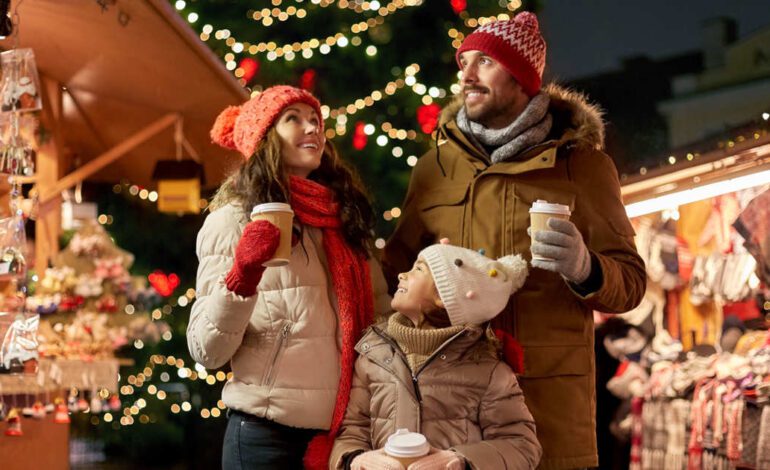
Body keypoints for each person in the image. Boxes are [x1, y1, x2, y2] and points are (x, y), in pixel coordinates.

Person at [383, 12, 646, 469]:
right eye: (463, 62)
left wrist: (585, 268)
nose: (466, 75)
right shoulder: (433, 169)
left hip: (548, 411)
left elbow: (631, 283)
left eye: (484, 62)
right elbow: (392, 277)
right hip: (453, 420)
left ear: (521, 76)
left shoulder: (582, 166)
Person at [187, 85, 391, 470]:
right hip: (266, 436)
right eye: (293, 119)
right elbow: (206, 351)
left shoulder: (345, 218)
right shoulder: (231, 220)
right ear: (264, 138)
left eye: (315, 120)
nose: (311, 127)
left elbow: (380, 325)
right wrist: (242, 277)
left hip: (346, 436)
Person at [331, 242, 542, 469]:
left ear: (444, 295)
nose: (402, 274)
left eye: (418, 269)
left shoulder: (489, 371)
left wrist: (462, 460)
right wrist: (356, 459)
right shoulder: (373, 355)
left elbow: (522, 445)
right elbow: (351, 432)